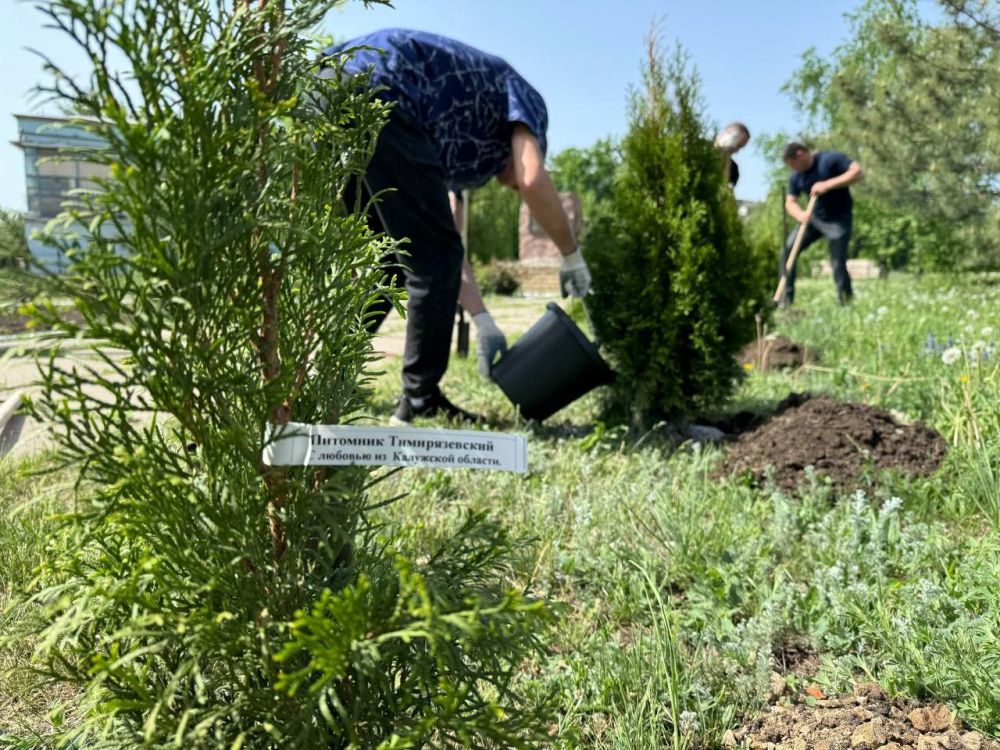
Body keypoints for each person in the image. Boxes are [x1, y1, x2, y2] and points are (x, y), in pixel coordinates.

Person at [323, 29, 590, 426]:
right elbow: (533, 179)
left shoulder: (461, 148)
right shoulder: (524, 100)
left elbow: (447, 247)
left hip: (331, 88)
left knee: (392, 260)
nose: (515, 190)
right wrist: (571, 256)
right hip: (385, 87)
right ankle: (420, 399)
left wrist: (482, 319)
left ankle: (328, 378)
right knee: (423, 259)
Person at [780, 142, 864, 306]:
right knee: (787, 252)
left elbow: (858, 172)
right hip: (813, 220)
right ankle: (785, 300)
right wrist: (800, 214)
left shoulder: (830, 159)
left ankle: (845, 302)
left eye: (793, 164)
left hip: (838, 219)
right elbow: (790, 202)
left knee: (837, 262)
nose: (793, 169)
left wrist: (827, 184)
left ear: (800, 154)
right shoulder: (796, 176)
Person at [716, 122, 750, 188]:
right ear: (727, 133)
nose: (737, 150)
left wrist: (727, 157)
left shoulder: (734, 169)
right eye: (738, 144)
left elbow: (726, 190)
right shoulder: (699, 147)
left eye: (740, 147)